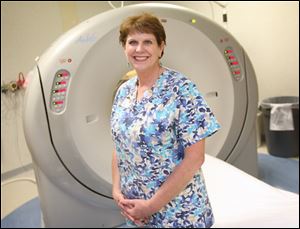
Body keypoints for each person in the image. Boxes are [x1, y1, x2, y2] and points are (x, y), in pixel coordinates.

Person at [110, 13, 220, 228]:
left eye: (148, 42)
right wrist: (117, 191)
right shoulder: (123, 92)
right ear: (125, 48)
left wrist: (151, 205)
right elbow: (119, 146)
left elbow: (195, 159)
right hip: (136, 208)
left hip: (179, 211)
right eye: (132, 42)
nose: (139, 49)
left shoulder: (182, 89)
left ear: (161, 47)